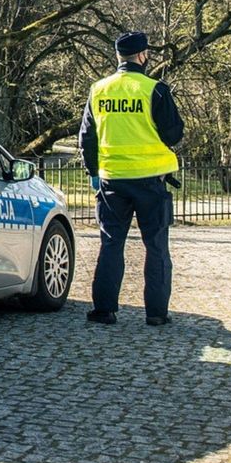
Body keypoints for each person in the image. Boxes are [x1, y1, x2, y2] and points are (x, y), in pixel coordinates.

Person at [78, 31, 185, 326]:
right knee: (156, 246)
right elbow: (174, 134)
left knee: (111, 243)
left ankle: (104, 310)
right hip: (151, 180)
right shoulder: (155, 90)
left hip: (112, 180)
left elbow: (87, 137)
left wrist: (93, 172)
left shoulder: (99, 90)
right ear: (142, 55)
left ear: (118, 57)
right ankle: (156, 313)